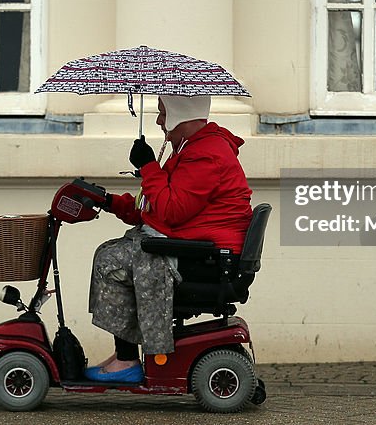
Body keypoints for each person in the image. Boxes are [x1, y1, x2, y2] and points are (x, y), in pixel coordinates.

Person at [85, 94, 252, 383]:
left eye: (163, 113)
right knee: (112, 253)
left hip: (206, 258)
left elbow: (172, 210)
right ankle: (124, 356)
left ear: (180, 113)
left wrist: (149, 166)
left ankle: (126, 359)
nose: (159, 120)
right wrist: (109, 201)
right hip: (198, 249)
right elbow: (154, 206)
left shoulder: (207, 154)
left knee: (111, 261)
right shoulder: (192, 149)